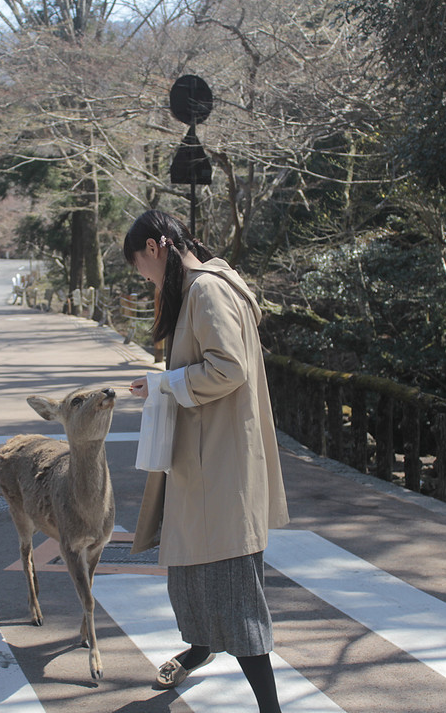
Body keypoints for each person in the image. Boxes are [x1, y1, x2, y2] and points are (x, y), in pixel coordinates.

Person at [125, 210, 289, 712]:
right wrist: (162, 381)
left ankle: (271, 709)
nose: (143, 278)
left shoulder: (204, 290)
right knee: (194, 575)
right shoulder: (207, 285)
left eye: (140, 267)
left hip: (218, 463)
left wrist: (167, 383)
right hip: (209, 456)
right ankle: (198, 649)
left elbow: (228, 367)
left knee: (235, 595)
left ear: (156, 247)